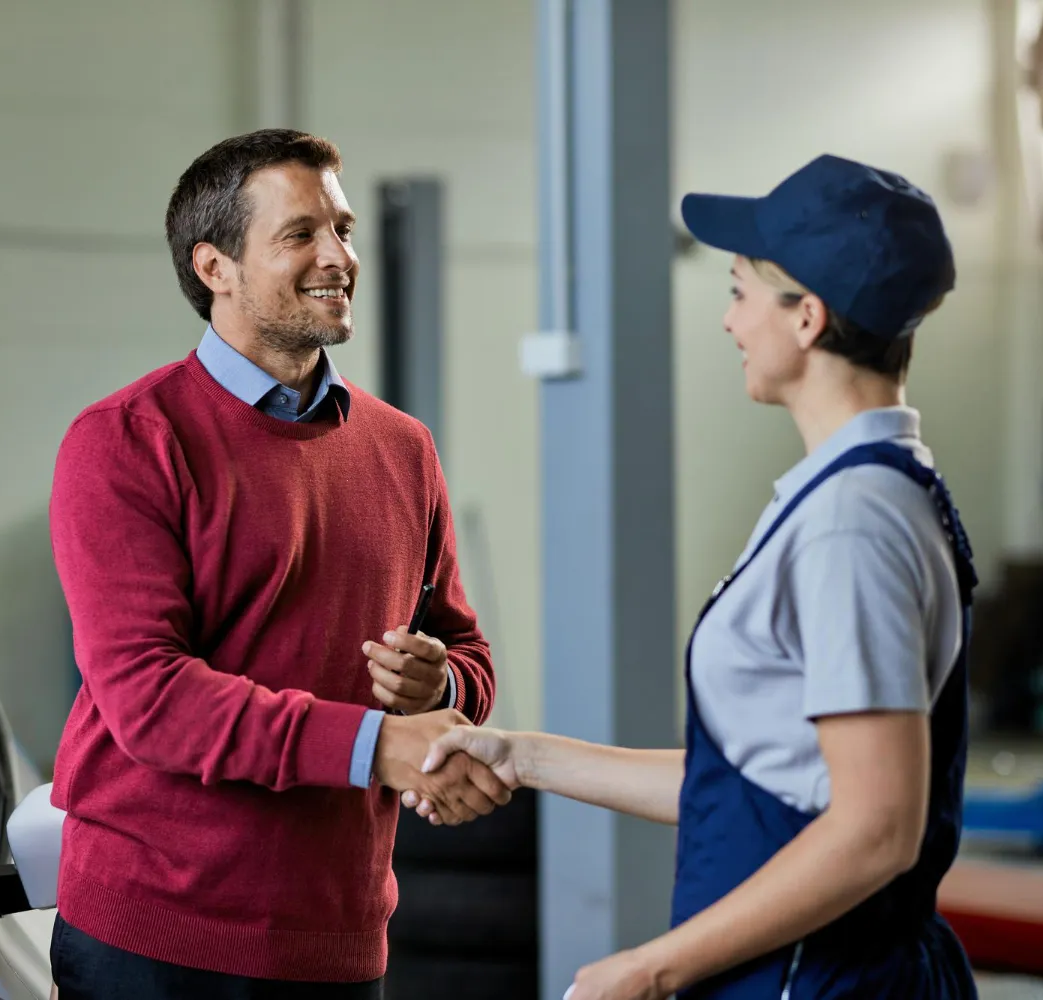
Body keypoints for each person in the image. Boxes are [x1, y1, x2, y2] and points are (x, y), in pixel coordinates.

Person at [411, 154, 979, 1000]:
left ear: (808, 319)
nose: (728, 321)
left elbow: (878, 827)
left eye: (741, 290)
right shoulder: (859, 496)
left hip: (815, 983)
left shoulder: (851, 524)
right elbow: (752, 785)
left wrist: (647, 969)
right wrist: (522, 755)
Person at [46, 128, 509, 1000]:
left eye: (342, 227)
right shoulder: (127, 442)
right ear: (215, 267)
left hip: (337, 938)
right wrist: (377, 745)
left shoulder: (403, 449)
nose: (338, 255)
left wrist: (435, 688)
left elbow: (467, 654)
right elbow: (148, 695)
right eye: (300, 233)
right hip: (155, 943)